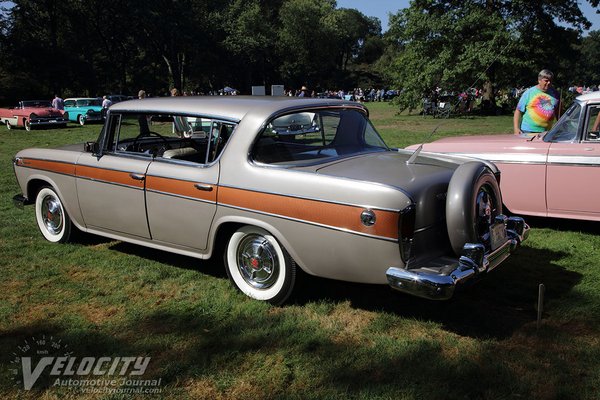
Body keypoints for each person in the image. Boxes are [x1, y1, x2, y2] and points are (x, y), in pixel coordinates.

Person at [514, 69, 560, 137]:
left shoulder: (555, 94)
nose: (549, 83)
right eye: (546, 81)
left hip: (546, 132)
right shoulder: (529, 93)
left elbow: (559, 113)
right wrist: (516, 128)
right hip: (527, 131)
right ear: (539, 80)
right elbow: (518, 111)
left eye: (550, 81)